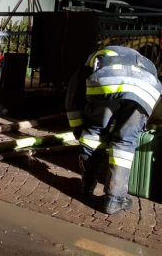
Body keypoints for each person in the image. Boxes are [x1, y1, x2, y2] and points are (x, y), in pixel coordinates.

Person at [65, 46, 162, 214]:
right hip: (148, 91)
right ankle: (114, 199)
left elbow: (73, 99)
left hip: (106, 82)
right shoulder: (145, 63)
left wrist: (79, 130)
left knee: (93, 134)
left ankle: (87, 184)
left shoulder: (94, 58)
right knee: (126, 141)